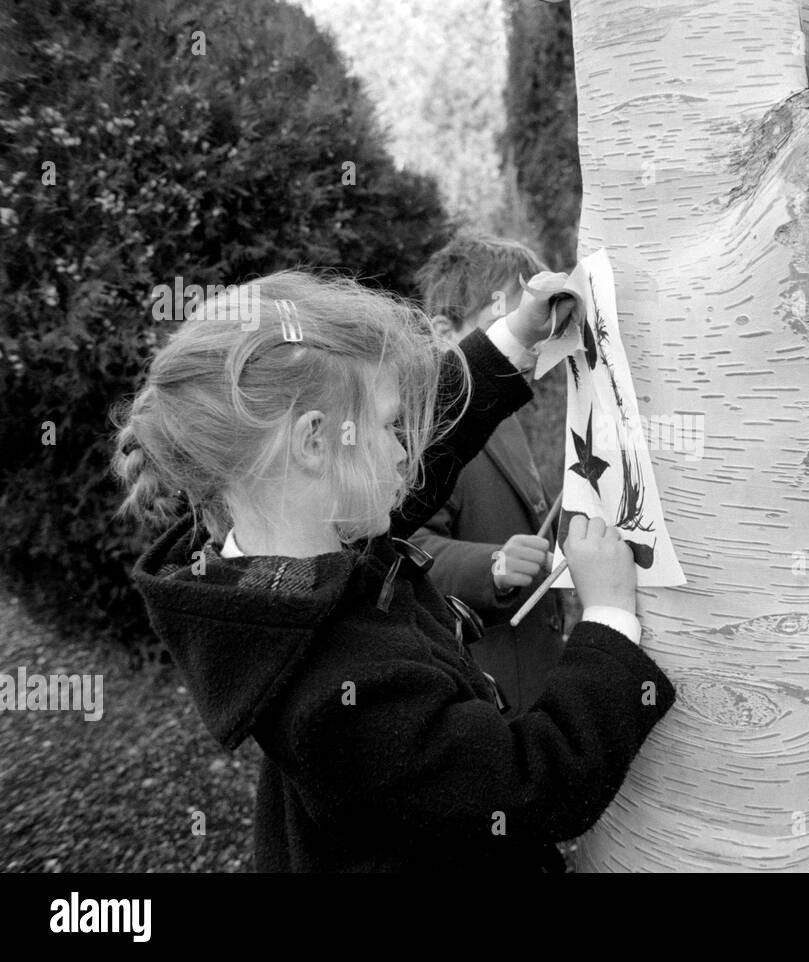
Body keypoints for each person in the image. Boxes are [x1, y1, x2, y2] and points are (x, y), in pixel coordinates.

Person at [113, 269, 674, 872]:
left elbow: (423, 459)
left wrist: (515, 336)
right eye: (389, 425)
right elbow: (528, 785)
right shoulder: (340, 698)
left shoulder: (282, 546)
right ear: (314, 442)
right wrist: (610, 620)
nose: (406, 448)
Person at [410, 236, 565, 717]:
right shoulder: (419, 434)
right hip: (483, 688)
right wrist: (494, 565)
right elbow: (404, 548)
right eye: (506, 325)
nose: (529, 345)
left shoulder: (506, 412)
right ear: (444, 332)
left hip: (537, 663)